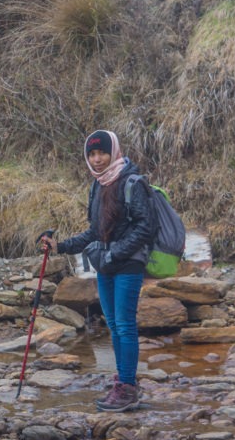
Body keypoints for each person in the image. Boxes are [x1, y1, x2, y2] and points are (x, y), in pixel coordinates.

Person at [39, 129, 154, 412]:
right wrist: (60, 246)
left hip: (128, 263)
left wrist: (116, 252)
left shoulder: (132, 181)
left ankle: (127, 387)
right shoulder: (98, 185)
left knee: (125, 324)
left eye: (102, 152)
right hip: (107, 264)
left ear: (113, 151)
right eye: (92, 153)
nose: (98, 158)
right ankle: (124, 381)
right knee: (114, 324)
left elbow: (145, 226)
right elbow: (95, 231)